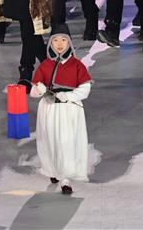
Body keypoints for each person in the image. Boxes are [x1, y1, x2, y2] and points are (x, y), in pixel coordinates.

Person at [29, 31, 93, 196]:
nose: (59, 44)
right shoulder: (45, 65)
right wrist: (39, 90)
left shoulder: (77, 65)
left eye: (63, 40)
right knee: (50, 141)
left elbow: (85, 89)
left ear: (69, 43)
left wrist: (68, 96)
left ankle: (65, 178)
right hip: (49, 110)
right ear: (50, 44)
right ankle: (52, 169)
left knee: (66, 142)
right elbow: (34, 90)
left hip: (68, 110)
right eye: (55, 40)